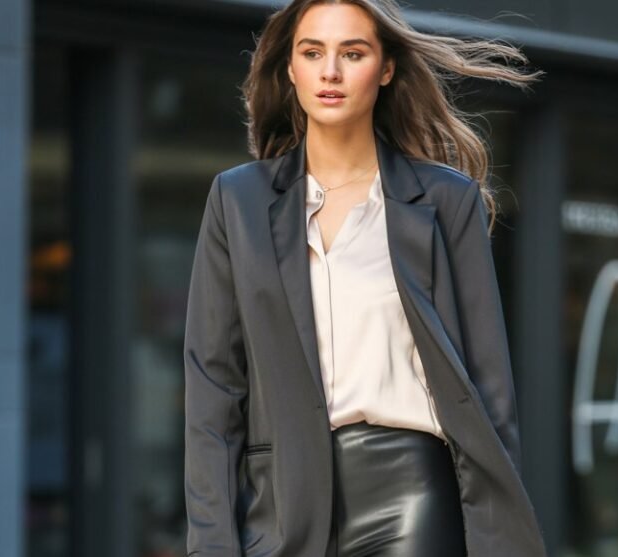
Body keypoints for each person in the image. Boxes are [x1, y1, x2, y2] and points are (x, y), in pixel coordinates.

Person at [183, 1, 547, 556]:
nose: (330, 71)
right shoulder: (239, 201)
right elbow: (213, 391)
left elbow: (488, 390)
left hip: (410, 496)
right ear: (290, 68)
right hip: (282, 502)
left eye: (352, 53)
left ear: (385, 68)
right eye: (313, 52)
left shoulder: (445, 201)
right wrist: (213, 544)